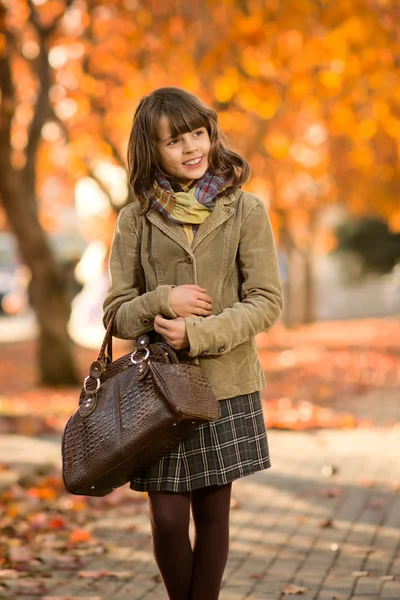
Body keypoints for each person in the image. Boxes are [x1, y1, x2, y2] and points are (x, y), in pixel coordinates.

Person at [102, 87, 283, 600]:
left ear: (211, 133)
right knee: (164, 517)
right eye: (175, 140)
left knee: (212, 511)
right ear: (150, 149)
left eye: (198, 134)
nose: (191, 148)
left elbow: (267, 301)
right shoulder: (134, 218)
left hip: (224, 384)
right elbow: (115, 311)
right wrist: (163, 299)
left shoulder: (245, 209)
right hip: (154, 392)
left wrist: (199, 332)